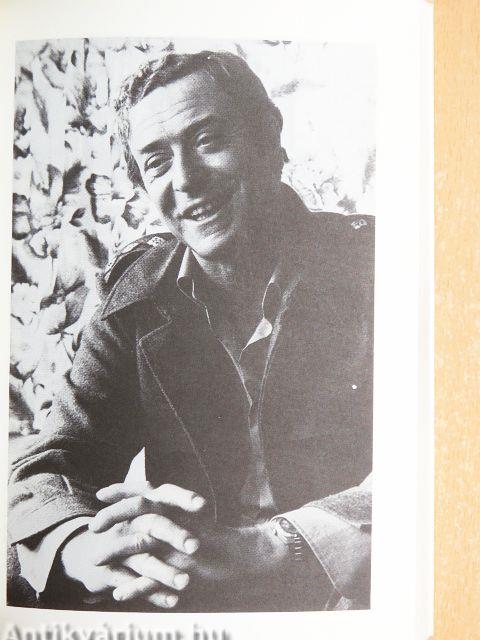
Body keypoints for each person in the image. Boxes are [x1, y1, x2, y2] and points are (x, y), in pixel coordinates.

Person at [8, 50, 374, 612]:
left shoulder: (379, 267)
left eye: (208, 140)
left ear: (269, 140)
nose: (185, 179)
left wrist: (273, 547)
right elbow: (53, 460)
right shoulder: (134, 298)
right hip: (188, 597)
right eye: (156, 162)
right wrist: (83, 547)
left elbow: (439, 462)